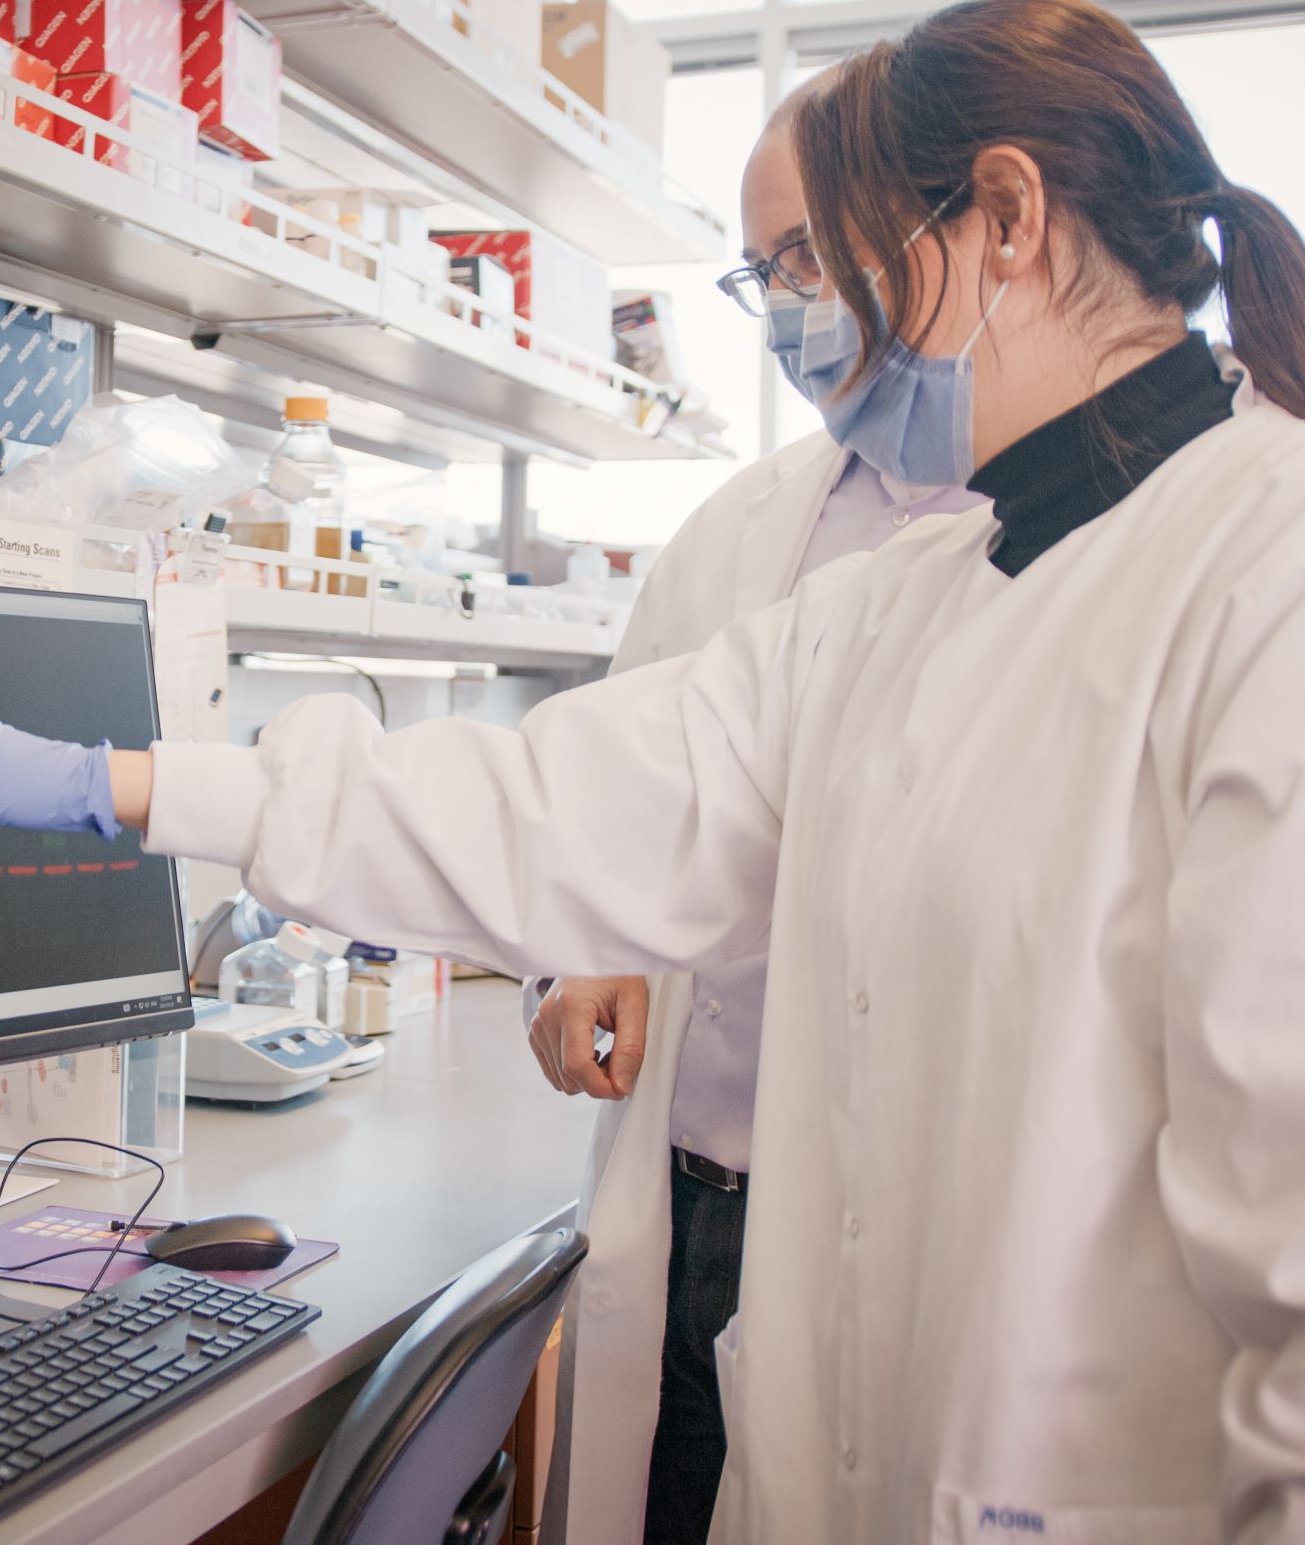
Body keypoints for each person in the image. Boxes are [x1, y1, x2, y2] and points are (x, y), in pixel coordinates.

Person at [0, 0, 1305, 1542]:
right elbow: (560, 804)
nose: (798, 315)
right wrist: (135, 784)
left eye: (820, 259)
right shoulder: (923, 596)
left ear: (1009, 217)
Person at [514, 79, 984, 1543]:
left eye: (805, 258)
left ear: (956, 233)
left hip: (887, 1212)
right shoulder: (736, 529)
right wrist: (574, 952)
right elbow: (605, 796)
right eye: (759, 272)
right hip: (688, 1186)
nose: (785, 306)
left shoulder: (1054, 530)